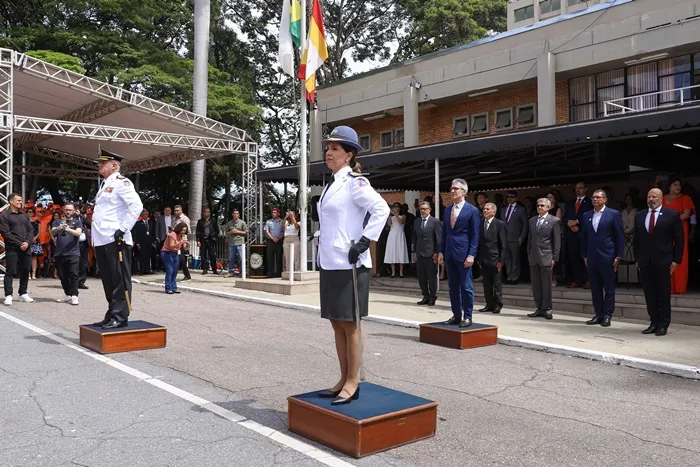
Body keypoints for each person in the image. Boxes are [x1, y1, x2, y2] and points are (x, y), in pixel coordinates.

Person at [316, 125, 389, 405]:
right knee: (336, 323)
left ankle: (353, 381)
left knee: (351, 325)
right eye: (328, 148)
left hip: (350, 263)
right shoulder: (332, 183)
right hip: (331, 262)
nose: (329, 152)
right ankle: (342, 377)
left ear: (348, 155)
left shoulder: (355, 183)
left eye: (335, 148)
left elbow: (380, 209)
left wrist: (364, 241)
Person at [91, 148, 144, 329]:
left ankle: (120, 316)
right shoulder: (105, 184)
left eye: (103, 163)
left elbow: (136, 206)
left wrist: (123, 229)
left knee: (119, 279)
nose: (99, 165)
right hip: (102, 239)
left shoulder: (122, 182)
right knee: (108, 279)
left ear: (114, 166)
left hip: (116, 238)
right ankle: (112, 312)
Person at [634, 188, 683, 336]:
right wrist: (637, 258)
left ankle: (663, 323)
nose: (651, 199)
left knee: (663, 293)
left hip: (663, 261)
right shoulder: (640, 215)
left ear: (661, 199)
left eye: (654, 197)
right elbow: (637, 240)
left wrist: (676, 260)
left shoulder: (671, 215)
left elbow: (679, 239)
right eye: (649, 197)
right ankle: (653, 322)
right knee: (649, 294)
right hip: (645, 261)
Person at [438, 178, 480, 328]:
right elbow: (445, 233)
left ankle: (467, 316)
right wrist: (441, 251)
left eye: (456, 188)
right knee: (453, 287)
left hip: (464, 253)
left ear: (464, 191)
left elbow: (475, 235)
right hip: (450, 252)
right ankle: (456, 315)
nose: (452, 191)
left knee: (466, 287)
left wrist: (471, 255)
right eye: (451, 189)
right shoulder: (448, 210)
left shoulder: (472, 210)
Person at [580, 190, 623, 327]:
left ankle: (607, 315)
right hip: (592, 256)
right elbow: (584, 237)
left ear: (605, 199)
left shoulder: (613, 214)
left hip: (607, 255)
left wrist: (618, 255)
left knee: (609, 287)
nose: (595, 199)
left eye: (598, 197)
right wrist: (584, 255)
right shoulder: (587, 215)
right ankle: (598, 314)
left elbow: (619, 237)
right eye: (593, 197)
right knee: (595, 287)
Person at [526, 198, 561, 320]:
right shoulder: (532, 220)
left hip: (546, 256)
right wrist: (529, 253)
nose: (539, 207)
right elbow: (530, 239)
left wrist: (554, 257)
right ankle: (539, 308)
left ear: (548, 207)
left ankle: (547, 309)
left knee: (546, 285)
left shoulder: (554, 221)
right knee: (536, 285)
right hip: (534, 256)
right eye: (538, 205)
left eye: (542, 205)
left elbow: (556, 241)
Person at [0, 193, 35, 305]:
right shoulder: (4, 216)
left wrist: (27, 242)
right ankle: (8, 295)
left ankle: (23, 293)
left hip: (26, 247)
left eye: (21, 200)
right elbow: (6, 233)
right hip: (12, 247)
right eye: (18, 200)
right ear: (11, 201)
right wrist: (20, 243)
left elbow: (30, 230)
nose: (20, 202)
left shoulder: (24, 215)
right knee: (10, 271)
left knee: (25, 270)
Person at [662, 176, 695, 294]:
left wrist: (671, 222)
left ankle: (679, 287)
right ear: (669, 186)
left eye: (679, 185)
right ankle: (666, 287)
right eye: (675, 184)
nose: (678, 187)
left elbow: (686, 214)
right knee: (665, 255)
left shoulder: (685, 198)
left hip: (680, 229)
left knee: (680, 256)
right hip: (665, 231)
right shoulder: (662, 198)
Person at [51, 203, 84, 306]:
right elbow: (52, 232)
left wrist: (68, 229)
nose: (68, 212)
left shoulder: (77, 222)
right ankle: (67, 294)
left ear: (73, 211)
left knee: (74, 274)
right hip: (60, 252)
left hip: (73, 252)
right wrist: (59, 228)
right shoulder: (57, 221)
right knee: (62, 275)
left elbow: (78, 233)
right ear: (63, 210)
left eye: (70, 210)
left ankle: (74, 295)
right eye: (66, 210)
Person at [477, 202, 506, 314]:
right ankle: (489, 304)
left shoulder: (499, 224)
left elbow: (503, 244)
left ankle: (498, 304)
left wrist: (501, 261)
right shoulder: (480, 224)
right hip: (484, 259)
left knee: (497, 284)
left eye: (488, 209)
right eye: (484, 209)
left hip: (495, 259)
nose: (485, 210)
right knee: (487, 284)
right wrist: (478, 258)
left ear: (494, 211)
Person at [412, 201, 441, 306]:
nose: (423, 211)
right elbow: (414, 237)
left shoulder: (435, 222)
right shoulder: (417, 222)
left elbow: (438, 239)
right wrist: (414, 250)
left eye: (425, 209)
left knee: (432, 277)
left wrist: (437, 253)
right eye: (421, 209)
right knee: (421, 277)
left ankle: (433, 296)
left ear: (430, 210)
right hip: (420, 253)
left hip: (431, 253)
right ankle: (425, 295)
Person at [161, 222, 189, 294]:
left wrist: (186, 245)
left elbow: (184, 248)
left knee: (175, 271)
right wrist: (180, 242)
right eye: (182, 230)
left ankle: (174, 287)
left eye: (185, 230)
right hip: (167, 253)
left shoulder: (181, 236)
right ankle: (168, 288)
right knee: (170, 270)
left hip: (175, 253)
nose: (183, 232)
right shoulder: (172, 235)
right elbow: (171, 245)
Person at [384, 203, 409, 277]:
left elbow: (401, 222)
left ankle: (401, 272)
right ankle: (393, 271)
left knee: (401, 252)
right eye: (394, 207)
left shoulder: (403, 216)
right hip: (392, 235)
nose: (396, 208)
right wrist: (389, 215)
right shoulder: (391, 217)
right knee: (393, 252)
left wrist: (395, 215)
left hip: (400, 235)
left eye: (398, 207)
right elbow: (389, 224)